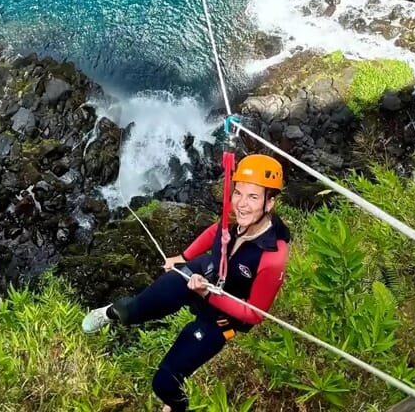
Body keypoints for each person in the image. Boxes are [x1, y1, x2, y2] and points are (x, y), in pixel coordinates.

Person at [82, 154, 291, 412]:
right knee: (132, 311)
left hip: (220, 318)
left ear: (270, 203)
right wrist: (183, 257)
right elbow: (215, 232)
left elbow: (254, 315)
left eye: (253, 197)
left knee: (165, 383)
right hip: (202, 272)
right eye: (238, 193)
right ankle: (108, 313)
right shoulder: (236, 216)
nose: (242, 204)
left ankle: (176, 408)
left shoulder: (273, 257)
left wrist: (207, 294)